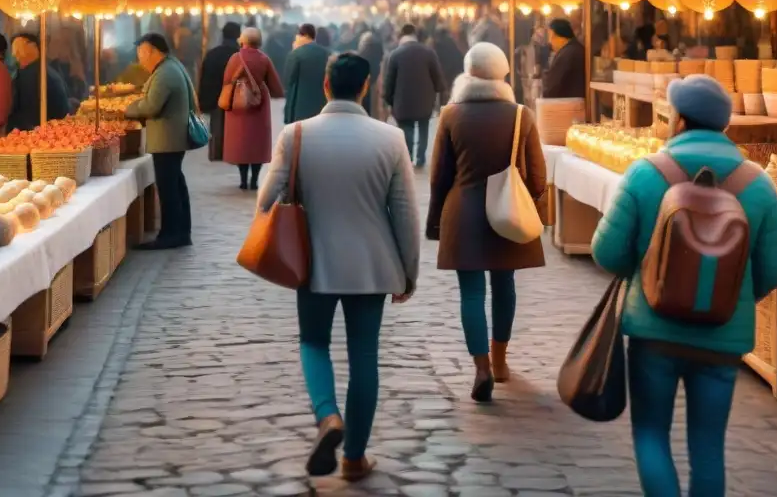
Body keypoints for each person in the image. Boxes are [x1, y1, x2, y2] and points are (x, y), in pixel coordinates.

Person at [591, 75, 777, 497]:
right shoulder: (759, 185)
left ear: (677, 119)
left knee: (650, 434)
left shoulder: (645, 173)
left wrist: (645, 274)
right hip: (722, 338)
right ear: (724, 127)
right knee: (709, 448)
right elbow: (773, 270)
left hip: (653, 332)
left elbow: (606, 252)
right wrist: (730, 297)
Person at [258, 53, 420, 482]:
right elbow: (405, 213)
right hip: (372, 265)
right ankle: (354, 458)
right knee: (364, 355)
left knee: (313, 343)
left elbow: (265, 202)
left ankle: (328, 416)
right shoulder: (391, 139)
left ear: (325, 87)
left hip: (312, 264)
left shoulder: (295, 135)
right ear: (366, 86)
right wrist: (409, 272)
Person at [426, 43, 548, 402]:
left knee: (471, 292)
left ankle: (480, 368)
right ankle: (500, 361)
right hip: (506, 210)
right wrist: (535, 209)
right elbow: (539, 178)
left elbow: (438, 177)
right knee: (504, 284)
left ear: (468, 72)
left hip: (462, 211)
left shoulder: (450, 115)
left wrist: (435, 222)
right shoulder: (520, 115)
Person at [125, 33, 195, 250]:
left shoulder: (165, 73)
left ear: (154, 51)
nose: (140, 58)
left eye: (142, 52)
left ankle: (171, 234)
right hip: (172, 137)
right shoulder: (170, 66)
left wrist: (129, 109)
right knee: (175, 183)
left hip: (168, 138)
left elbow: (151, 107)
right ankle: (180, 232)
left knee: (168, 188)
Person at [222, 27, 283, 189]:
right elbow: (276, 87)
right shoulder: (264, 59)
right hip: (259, 103)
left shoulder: (235, 58)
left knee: (241, 143)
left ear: (242, 40)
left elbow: (227, 80)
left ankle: (243, 180)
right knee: (256, 143)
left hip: (237, 104)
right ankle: (254, 180)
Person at [382, 24, 445, 167]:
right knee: (423, 127)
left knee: (407, 129)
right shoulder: (429, 53)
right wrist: (439, 91)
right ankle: (421, 157)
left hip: (403, 101)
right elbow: (437, 77)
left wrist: (388, 99)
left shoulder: (395, 54)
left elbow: (389, 80)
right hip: (425, 99)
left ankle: (409, 156)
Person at [6, 33, 70, 132]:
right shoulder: (45, 71)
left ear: (33, 48)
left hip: (35, 133)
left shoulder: (33, 75)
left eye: (18, 49)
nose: (15, 54)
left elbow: (30, 112)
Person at [199, 21, 241, 162]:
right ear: (238, 35)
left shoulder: (212, 54)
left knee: (217, 126)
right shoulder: (239, 55)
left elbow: (204, 77)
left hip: (215, 97)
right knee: (234, 127)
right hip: (235, 98)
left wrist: (203, 100)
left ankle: (216, 153)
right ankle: (232, 152)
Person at [284, 24, 330, 124]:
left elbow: (288, 80)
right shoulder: (327, 53)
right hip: (322, 107)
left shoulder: (295, 54)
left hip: (300, 108)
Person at [542, 18, 586, 99]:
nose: (550, 42)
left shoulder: (566, 54)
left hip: (567, 105)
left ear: (560, 37)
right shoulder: (576, 49)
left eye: (551, 37)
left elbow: (553, 87)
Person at [431, 27, 465, 104]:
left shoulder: (437, 45)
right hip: (455, 72)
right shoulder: (453, 43)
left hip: (444, 73)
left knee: (443, 96)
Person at [356, 30, 384, 118]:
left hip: (363, 78)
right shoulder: (378, 46)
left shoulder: (361, 53)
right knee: (375, 106)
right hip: (375, 75)